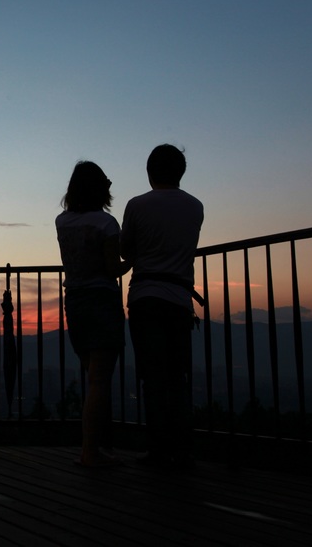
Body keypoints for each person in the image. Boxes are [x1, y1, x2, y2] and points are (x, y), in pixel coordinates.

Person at [120, 144, 203, 469]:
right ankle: (183, 448)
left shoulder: (137, 205)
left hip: (145, 296)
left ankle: (157, 448)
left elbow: (126, 250)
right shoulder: (195, 206)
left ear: (149, 171)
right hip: (179, 299)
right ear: (180, 172)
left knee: (152, 377)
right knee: (177, 376)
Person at [55, 160, 130, 467]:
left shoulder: (62, 221)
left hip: (74, 300)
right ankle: (90, 452)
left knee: (92, 376)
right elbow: (113, 268)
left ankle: (96, 448)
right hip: (101, 300)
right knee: (100, 380)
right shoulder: (106, 224)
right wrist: (135, 259)